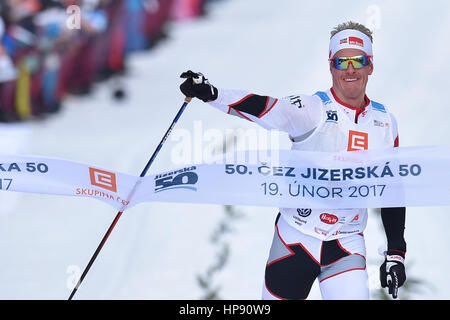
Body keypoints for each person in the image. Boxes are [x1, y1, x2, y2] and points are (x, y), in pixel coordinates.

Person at [179, 21, 406, 300]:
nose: (350, 69)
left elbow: (393, 189)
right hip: (297, 238)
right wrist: (213, 95)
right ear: (331, 66)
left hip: (347, 243)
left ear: (370, 66)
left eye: (358, 61)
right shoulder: (313, 109)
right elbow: (265, 108)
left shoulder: (385, 124)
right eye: (341, 61)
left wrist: (396, 252)